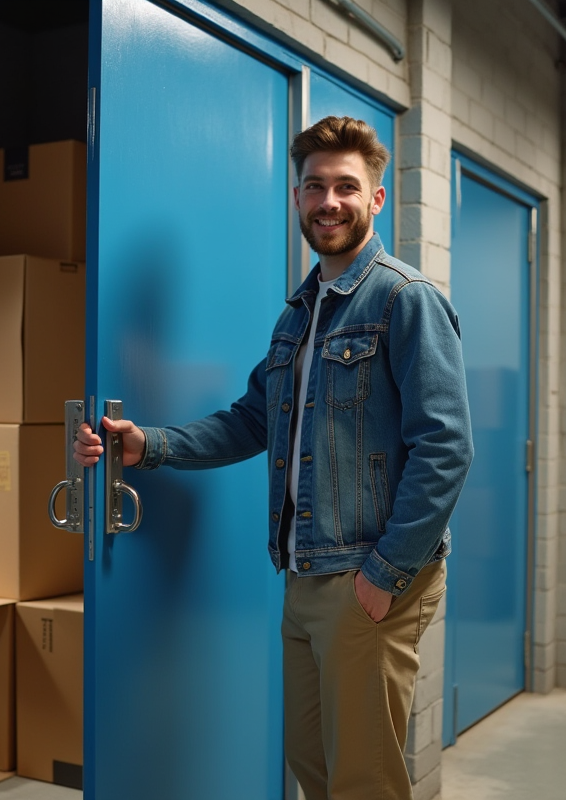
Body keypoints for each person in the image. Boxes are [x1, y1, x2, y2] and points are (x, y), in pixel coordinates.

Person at [73, 116, 473, 800]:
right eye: (315, 186)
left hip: (368, 578)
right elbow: (254, 418)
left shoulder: (406, 301)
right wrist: (150, 446)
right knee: (313, 767)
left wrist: (385, 573)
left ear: (377, 200)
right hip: (305, 574)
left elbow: (445, 447)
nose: (329, 202)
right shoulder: (299, 315)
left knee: (364, 781)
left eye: (347, 186)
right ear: (297, 198)